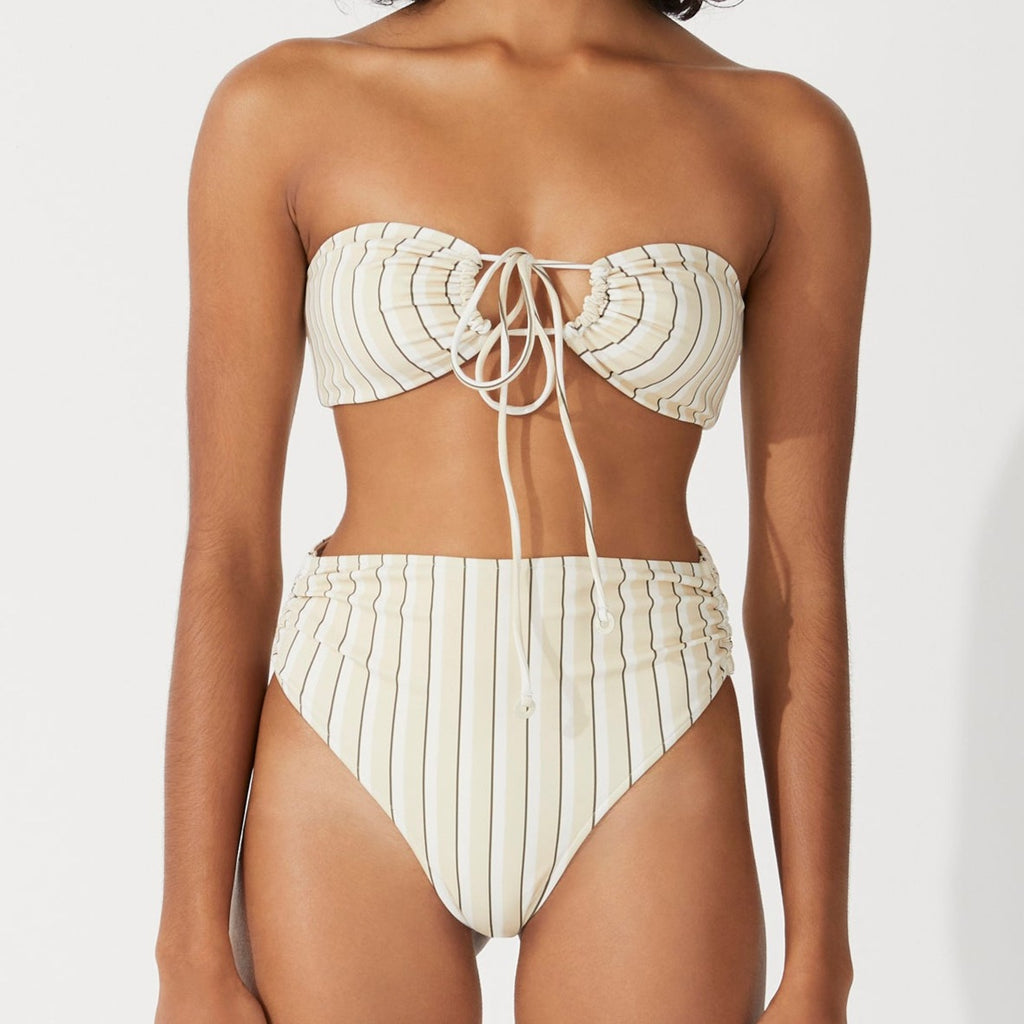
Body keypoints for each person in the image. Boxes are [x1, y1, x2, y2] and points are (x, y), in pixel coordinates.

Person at [154, 0, 869, 1020]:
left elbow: (801, 576)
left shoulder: (784, 136)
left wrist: (822, 958)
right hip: (353, 721)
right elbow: (227, 548)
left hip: (652, 724)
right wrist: (186, 949)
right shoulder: (280, 106)